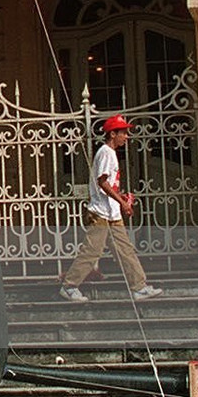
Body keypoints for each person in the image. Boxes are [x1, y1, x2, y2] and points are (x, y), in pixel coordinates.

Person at [60, 114, 162, 303]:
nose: (126, 137)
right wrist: (122, 203)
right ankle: (69, 286)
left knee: (125, 250)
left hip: (112, 214)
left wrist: (121, 198)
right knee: (92, 251)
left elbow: (109, 185)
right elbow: (102, 182)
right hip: (101, 213)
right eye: (123, 133)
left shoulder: (109, 153)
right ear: (113, 134)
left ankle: (139, 287)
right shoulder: (106, 152)